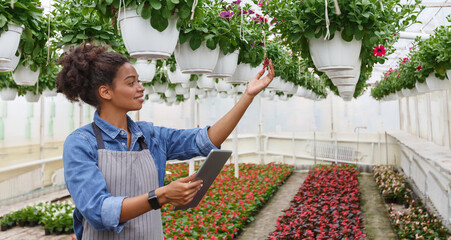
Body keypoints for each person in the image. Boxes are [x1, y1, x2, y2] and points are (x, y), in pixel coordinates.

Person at [56, 43, 274, 240]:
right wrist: (160, 196)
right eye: (131, 83)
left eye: (138, 81)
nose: (140, 88)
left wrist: (248, 95)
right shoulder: (81, 143)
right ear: (105, 92)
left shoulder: (150, 136)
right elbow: (98, 210)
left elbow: (204, 140)